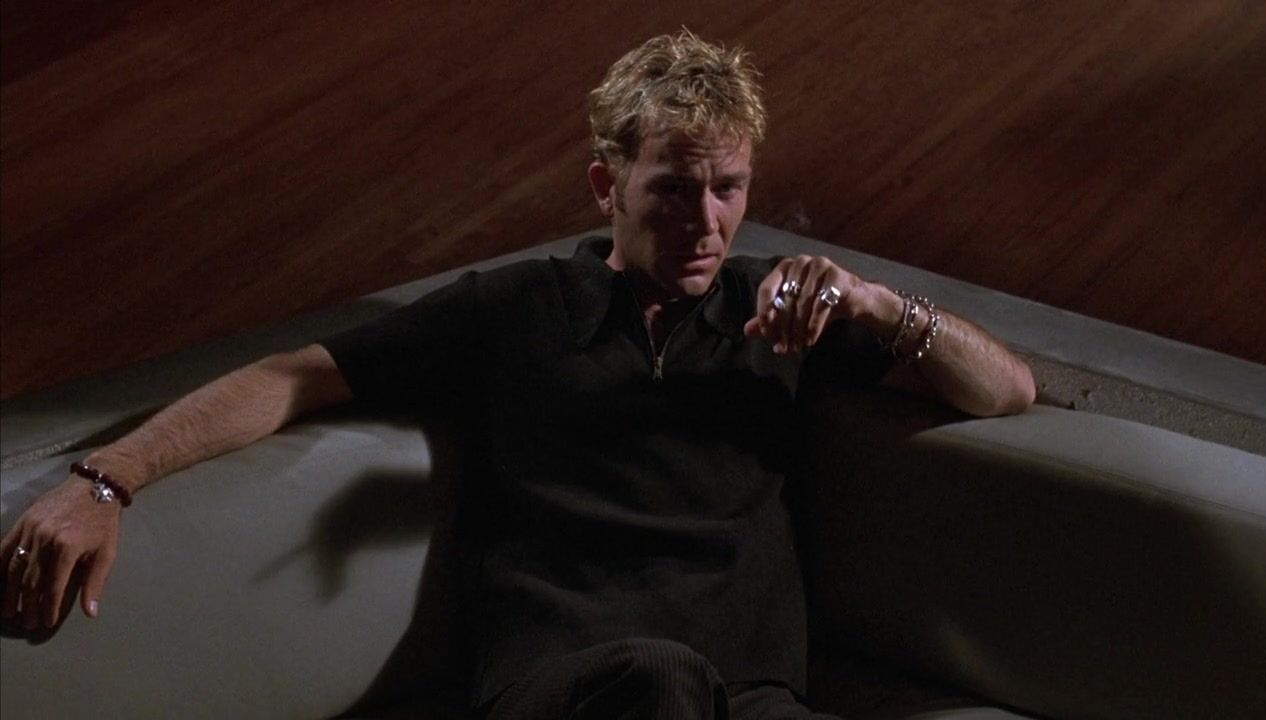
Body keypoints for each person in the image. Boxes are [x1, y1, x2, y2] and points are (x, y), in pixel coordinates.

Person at [0, 30, 1034, 719]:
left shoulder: (780, 313)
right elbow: (292, 378)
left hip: (751, 698)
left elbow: (1006, 391)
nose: (708, 220)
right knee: (658, 681)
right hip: (568, 687)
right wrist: (107, 479)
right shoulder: (517, 309)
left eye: (730, 188)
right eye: (675, 190)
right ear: (605, 186)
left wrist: (878, 304)